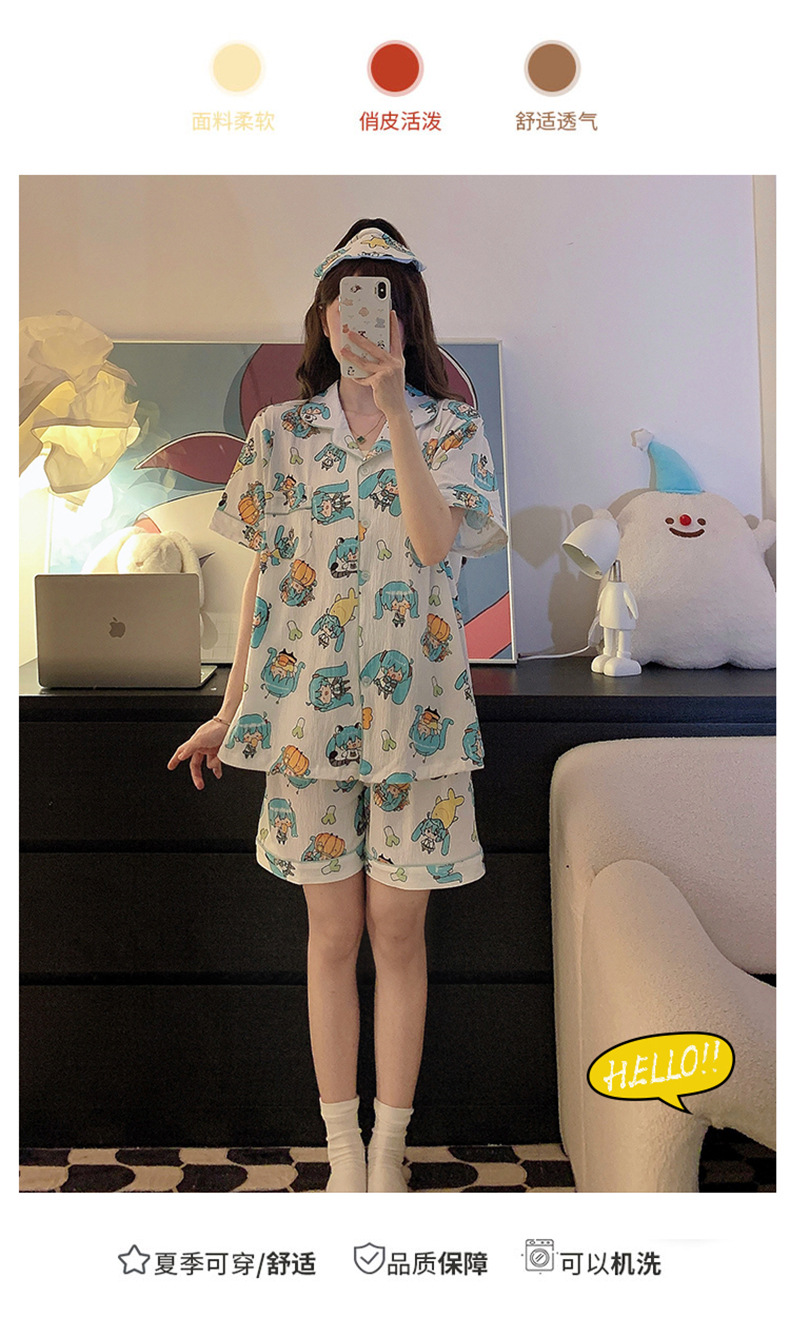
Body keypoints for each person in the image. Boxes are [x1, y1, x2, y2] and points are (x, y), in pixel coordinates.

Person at [168, 219, 508, 1192]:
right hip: (304, 725)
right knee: (331, 938)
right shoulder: (280, 433)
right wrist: (230, 708)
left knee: (398, 937)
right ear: (324, 317)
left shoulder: (450, 427)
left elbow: (435, 544)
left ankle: (390, 1154)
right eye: (348, 299)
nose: (365, 317)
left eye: (384, 300)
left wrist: (397, 413)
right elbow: (264, 581)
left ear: (407, 317)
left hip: (420, 723)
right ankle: (342, 1156)